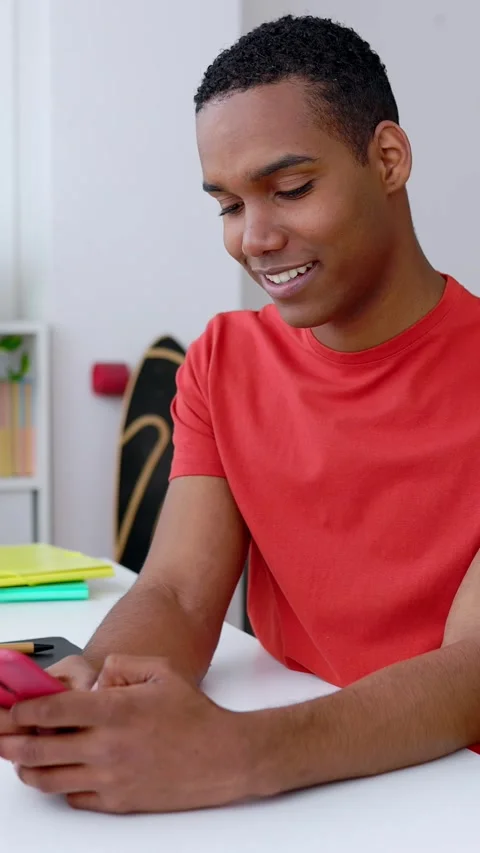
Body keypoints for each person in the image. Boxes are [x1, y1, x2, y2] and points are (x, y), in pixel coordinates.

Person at [2, 14, 480, 815]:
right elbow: (183, 592)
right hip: (297, 799)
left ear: (388, 159)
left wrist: (236, 753)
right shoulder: (222, 361)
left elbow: (471, 673)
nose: (254, 238)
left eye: (290, 188)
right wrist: (105, 685)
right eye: (227, 204)